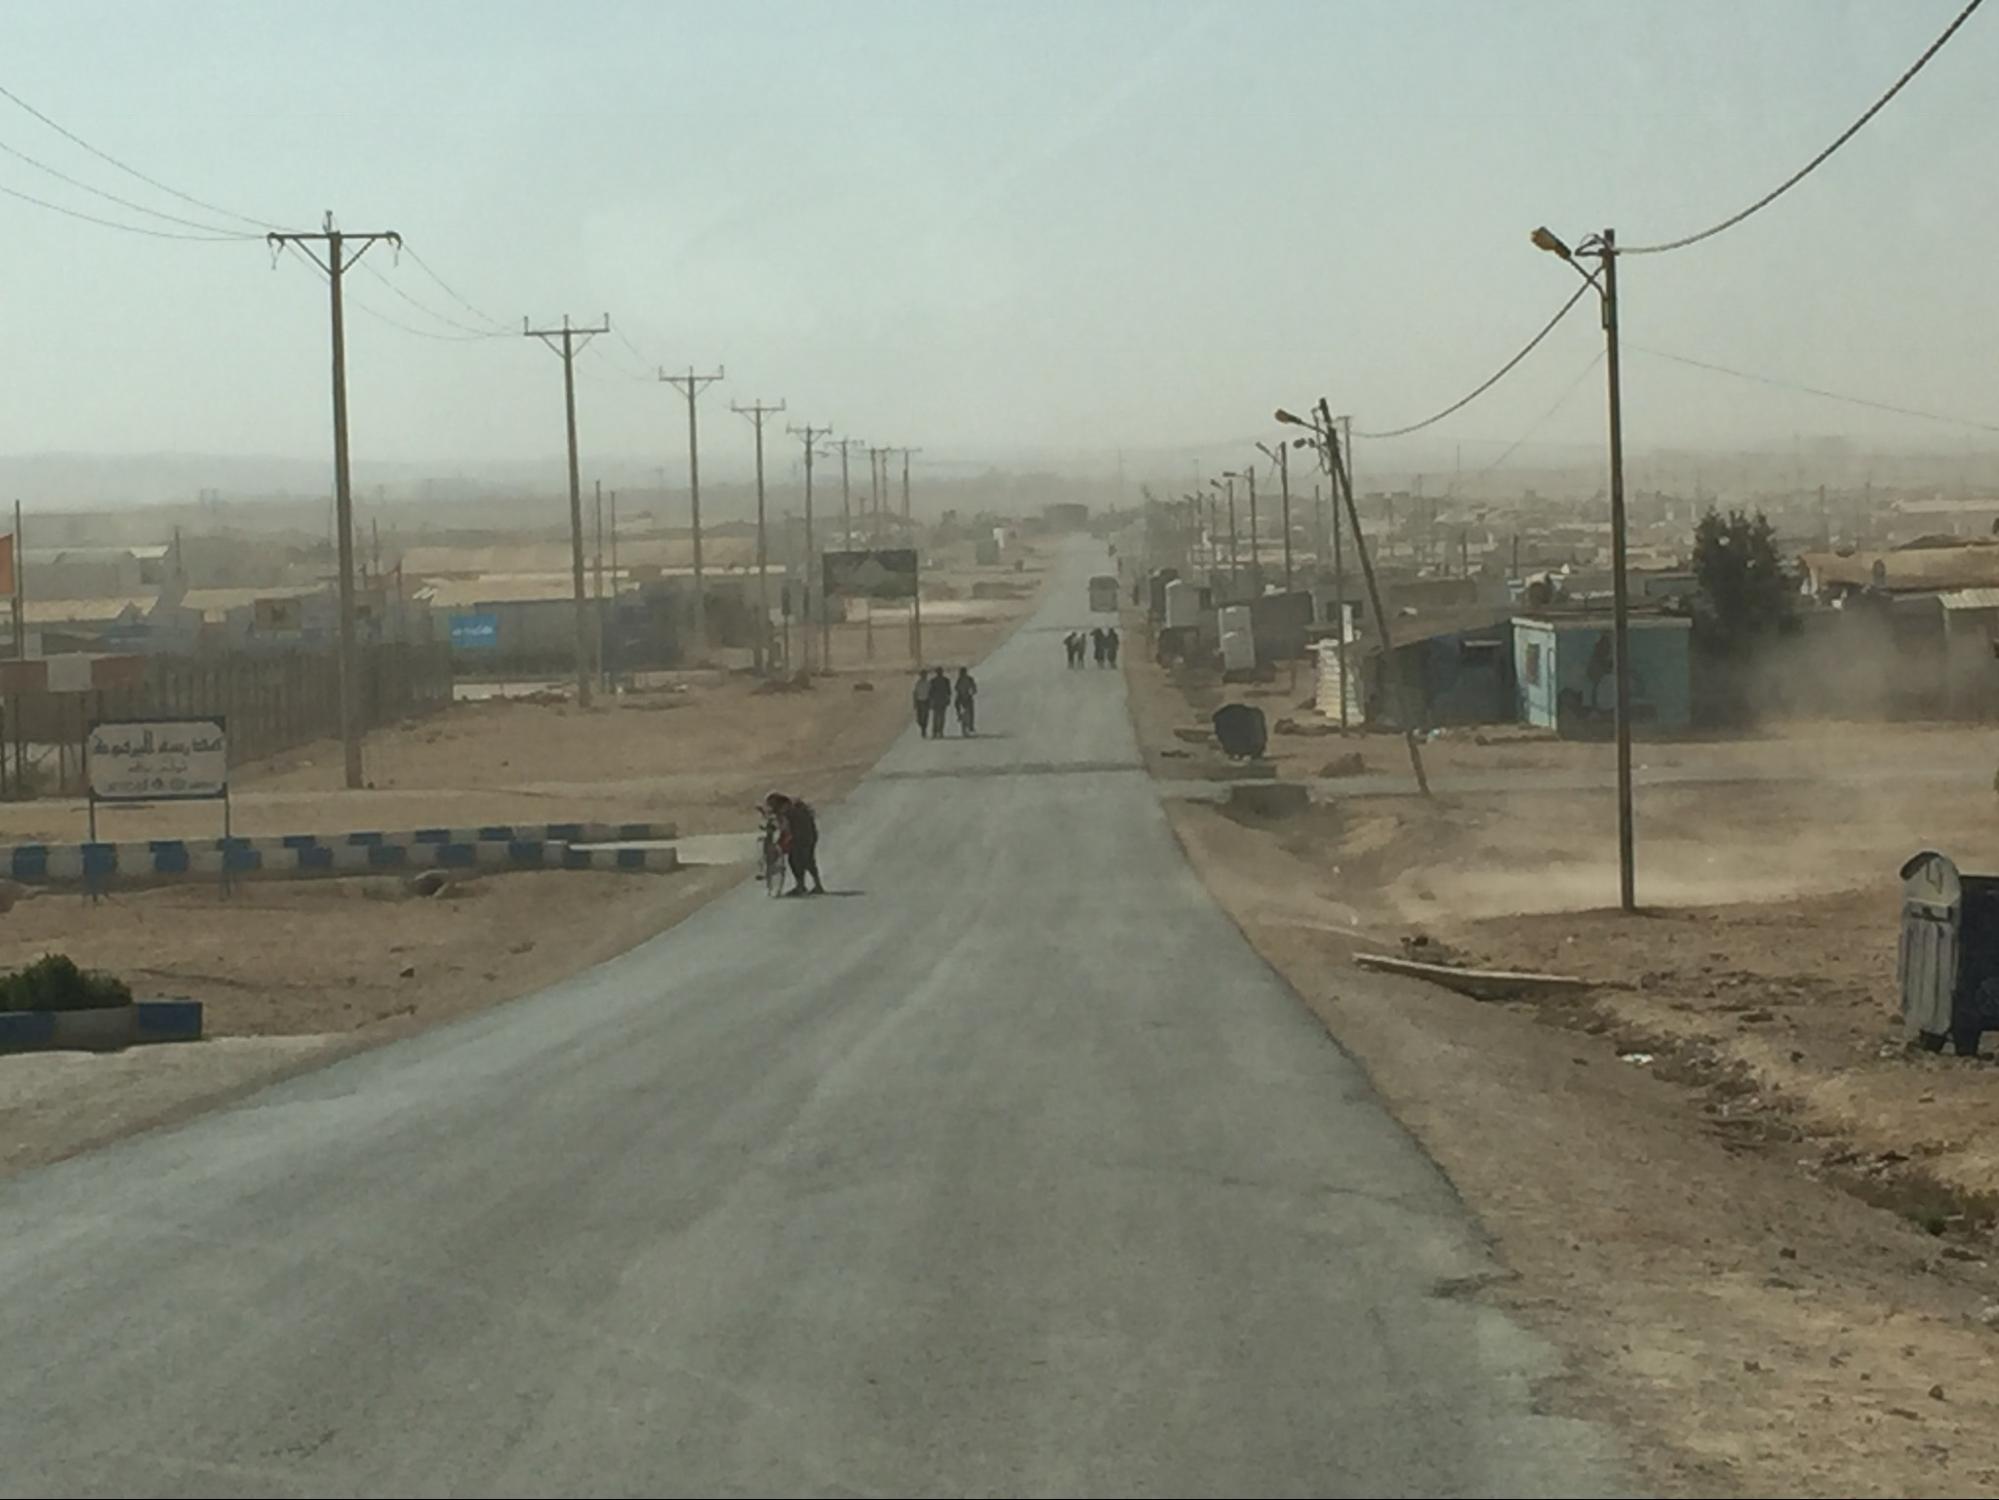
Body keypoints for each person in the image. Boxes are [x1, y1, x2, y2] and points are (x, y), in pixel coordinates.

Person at [762, 791, 824, 896]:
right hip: (808, 835)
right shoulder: (793, 806)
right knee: (807, 860)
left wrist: (781, 843)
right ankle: (814, 885)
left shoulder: (789, 810)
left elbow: (787, 829)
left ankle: (801, 886)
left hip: (803, 837)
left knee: (798, 860)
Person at [926, 667, 953, 735]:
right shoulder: (942, 680)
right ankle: (938, 731)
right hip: (939, 701)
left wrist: (948, 699)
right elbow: (930, 692)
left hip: (939, 701)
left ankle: (938, 731)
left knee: (938, 716)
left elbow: (948, 692)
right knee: (939, 716)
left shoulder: (935, 681)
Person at [954, 666, 978, 735]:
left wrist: (972, 692)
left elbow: (974, 688)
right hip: (962, 697)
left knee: (970, 711)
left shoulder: (968, 679)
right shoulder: (960, 679)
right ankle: (959, 715)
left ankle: (970, 725)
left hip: (966, 696)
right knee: (957, 705)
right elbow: (956, 688)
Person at [912, 670, 933, 738]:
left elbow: (930, 692)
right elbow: (915, 693)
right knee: (919, 718)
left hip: (926, 701)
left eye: (925, 674)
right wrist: (914, 703)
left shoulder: (928, 683)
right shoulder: (918, 683)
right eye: (923, 674)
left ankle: (924, 730)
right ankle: (922, 726)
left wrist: (931, 702)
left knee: (925, 716)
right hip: (919, 701)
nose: (924, 676)